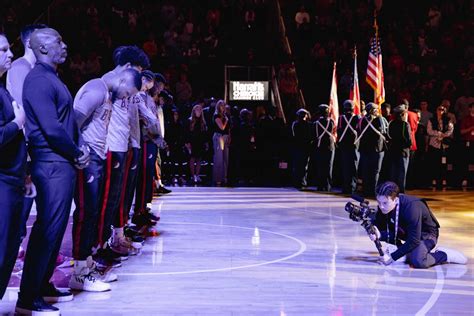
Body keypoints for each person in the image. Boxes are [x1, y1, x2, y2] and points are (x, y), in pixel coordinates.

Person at [18, 28, 90, 315]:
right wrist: (77, 151)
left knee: (56, 228)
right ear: (43, 48)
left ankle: (43, 285)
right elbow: (50, 128)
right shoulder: (37, 80)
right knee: (47, 230)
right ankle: (27, 299)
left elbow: (64, 122)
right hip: (50, 164)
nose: (65, 45)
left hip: (59, 163)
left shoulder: (51, 77)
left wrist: (75, 150)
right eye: (59, 41)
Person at [70, 67, 141, 292]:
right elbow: (73, 122)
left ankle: (87, 265)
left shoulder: (107, 93)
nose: (126, 97)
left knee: (92, 212)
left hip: (98, 156)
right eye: (128, 92)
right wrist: (79, 149)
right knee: (86, 212)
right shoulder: (95, 89)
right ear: (122, 79)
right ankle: (79, 273)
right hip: (88, 157)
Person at [96, 46, 150, 265]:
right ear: (128, 66)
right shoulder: (107, 82)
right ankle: (97, 247)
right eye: (138, 69)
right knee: (107, 198)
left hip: (124, 143)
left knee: (117, 197)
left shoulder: (127, 84)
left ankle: (111, 240)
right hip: (110, 146)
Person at [370, 181, 467, 268]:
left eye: (385, 203)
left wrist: (393, 257)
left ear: (395, 200)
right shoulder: (384, 207)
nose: (381, 206)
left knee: (418, 261)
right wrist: (378, 234)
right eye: (379, 202)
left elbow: (414, 240)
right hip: (406, 231)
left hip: (426, 235)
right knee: (376, 230)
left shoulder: (412, 207)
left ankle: (444, 255)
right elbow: (380, 226)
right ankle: (406, 253)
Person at [0, 33, 28, 299]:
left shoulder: (2, 88)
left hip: (13, 177)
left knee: (9, 245)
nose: (10, 54)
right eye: (4, 49)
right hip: (3, 180)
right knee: (3, 246)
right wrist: (17, 123)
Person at [356, 102, 388, 197]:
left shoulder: (362, 120)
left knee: (366, 171)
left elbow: (358, 131)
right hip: (377, 149)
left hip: (365, 149)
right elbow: (384, 131)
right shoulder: (380, 120)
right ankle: (373, 191)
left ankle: (366, 191)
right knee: (375, 171)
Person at [427, 104, 454, 188]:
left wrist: (443, 136)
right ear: (436, 110)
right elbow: (429, 131)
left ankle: (443, 179)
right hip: (434, 144)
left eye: (442, 110)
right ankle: (434, 179)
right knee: (434, 162)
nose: (440, 111)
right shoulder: (431, 120)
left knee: (444, 163)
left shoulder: (448, 120)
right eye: (439, 109)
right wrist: (438, 133)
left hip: (444, 144)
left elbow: (451, 130)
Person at [387, 105, 412, 193]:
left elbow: (389, 136)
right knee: (402, 173)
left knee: (393, 172)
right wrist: (409, 145)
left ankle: (393, 190)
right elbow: (408, 139)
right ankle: (401, 191)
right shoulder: (405, 124)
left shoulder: (391, 123)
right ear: (402, 114)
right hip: (403, 152)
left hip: (393, 151)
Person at [337, 100, 360, 194]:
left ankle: (345, 187)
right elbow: (359, 130)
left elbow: (339, 130)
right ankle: (352, 188)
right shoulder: (357, 117)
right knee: (353, 168)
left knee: (345, 167)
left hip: (344, 145)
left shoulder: (341, 118)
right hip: (354, 145)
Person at [313, 104, 335, 191]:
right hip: (330, 146)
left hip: (320, 145)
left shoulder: (316, 123)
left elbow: (314, 135)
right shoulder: (332, 122)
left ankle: (320, 186)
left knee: (320, 166)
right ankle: (328, 186)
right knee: (329, 166)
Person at [185, 102, 208, 184]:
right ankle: (193, 175)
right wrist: (187, 143)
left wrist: (206, 142)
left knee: (199, 159)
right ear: (194, 111)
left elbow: (205, 133)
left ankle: (197, 175)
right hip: (192, 142)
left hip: (200, 142)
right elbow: (186, 132)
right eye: (197, 110)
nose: (198, 111)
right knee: (192, 158)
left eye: (200, 110)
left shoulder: (203, 122)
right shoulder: (189, 120)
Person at [291, 108, 312, 189]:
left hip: (297, 147)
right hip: (305, 147)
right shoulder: (309, 124)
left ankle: (297, 182)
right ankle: (302, 182)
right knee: (304, 166)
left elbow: (293, 136)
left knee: (297, 165)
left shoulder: (295, 124)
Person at [212, 100, 230, 186]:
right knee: (219, 159)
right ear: (218, 107)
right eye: (221, 105)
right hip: (219, 137)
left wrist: (229, 136)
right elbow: (222, 127)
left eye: (224, 105)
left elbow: (228, 129)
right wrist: (226, 120)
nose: (223, 107)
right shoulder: (216, 116)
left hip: (225, 137)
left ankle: (224, 178)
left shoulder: (226, 115)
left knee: (225, 159)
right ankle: (218, 178)